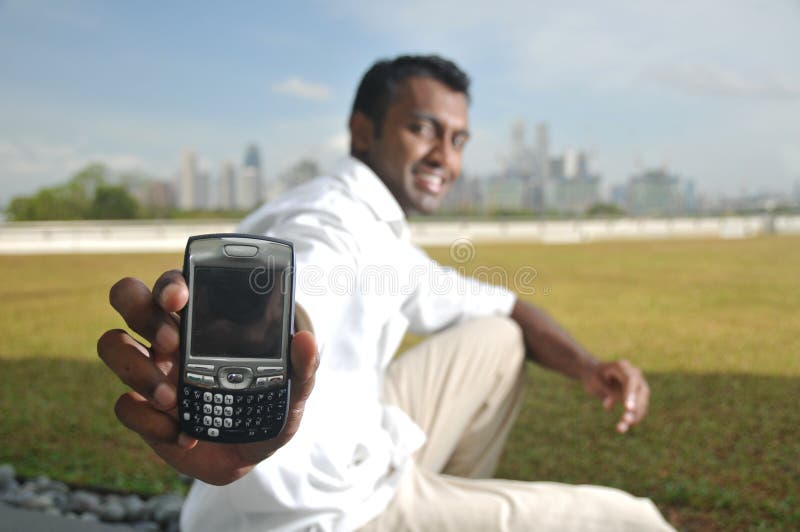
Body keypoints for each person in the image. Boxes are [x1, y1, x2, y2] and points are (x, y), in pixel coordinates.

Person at [98, 55, 674, 531]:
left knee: (499, 336)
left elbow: (508, 305)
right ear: (363, 130)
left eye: (458, 139)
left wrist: (589, 367)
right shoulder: (327, 221)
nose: (444, 157)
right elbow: (308, 281)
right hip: (324, 515)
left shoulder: (379, 230)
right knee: (632, 521)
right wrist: (264, 341)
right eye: (423, 128)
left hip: (327, 470)